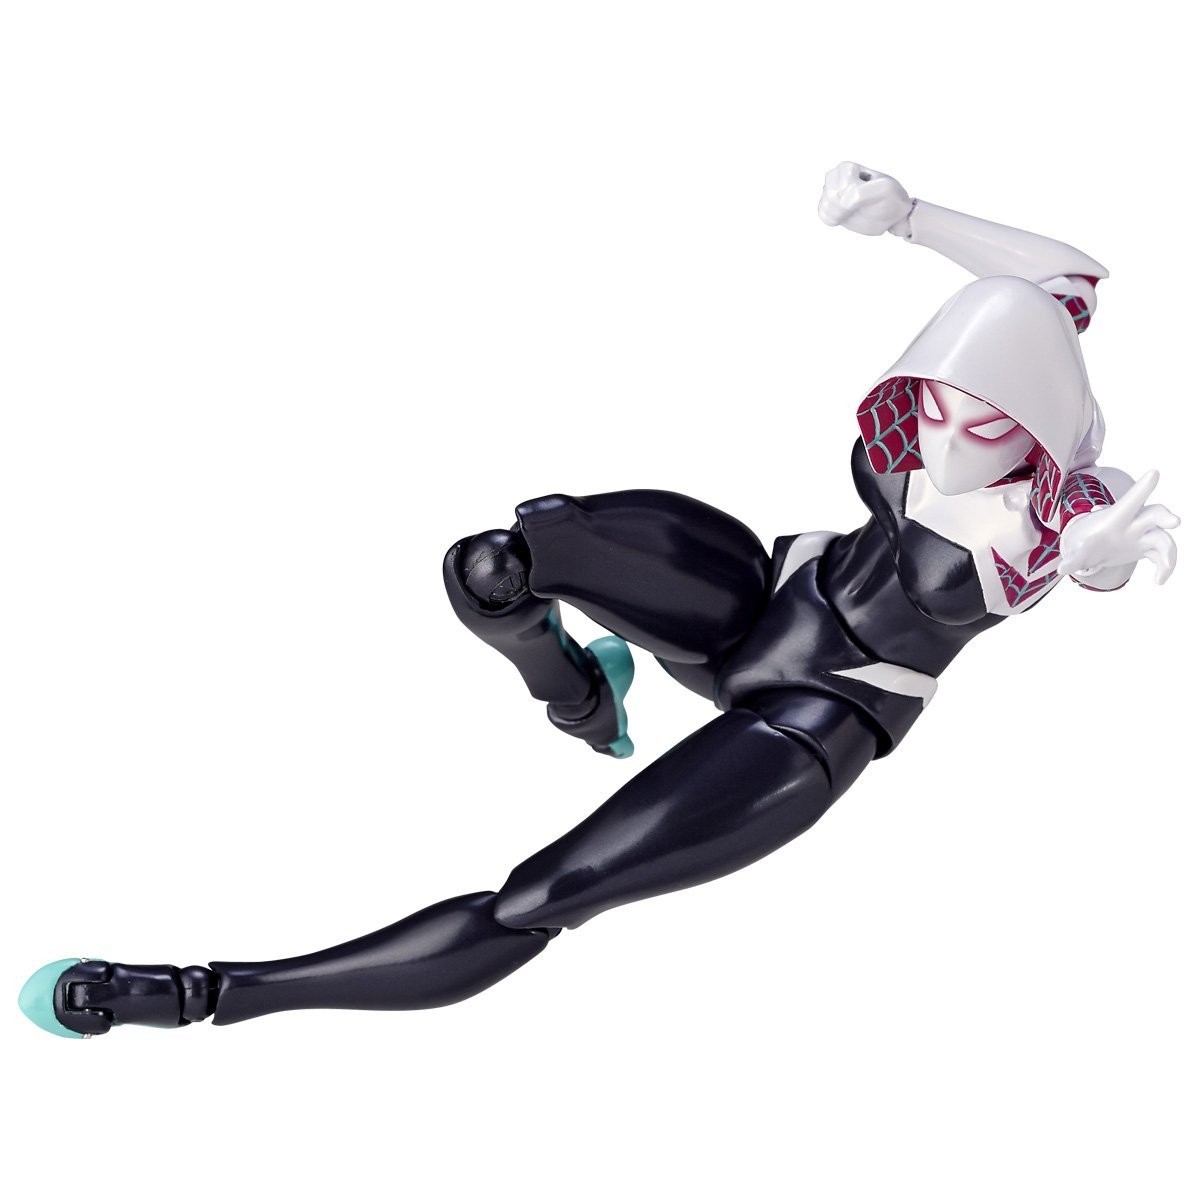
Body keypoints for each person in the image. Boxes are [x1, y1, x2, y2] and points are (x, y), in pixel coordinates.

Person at [19, 163, 1179, 1038]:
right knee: (502, 561)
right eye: (929, 405)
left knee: (543, 894)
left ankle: (209, 994)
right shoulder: (991, 370)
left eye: (983, 425)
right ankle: (578, 695)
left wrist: (1102, 554)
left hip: (813, 717)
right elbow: (1063, 277)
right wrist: (910, 216)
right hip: (763, 599)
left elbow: (1092, 548)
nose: (946, 438)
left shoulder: (1064, 503)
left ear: (1038, 425)